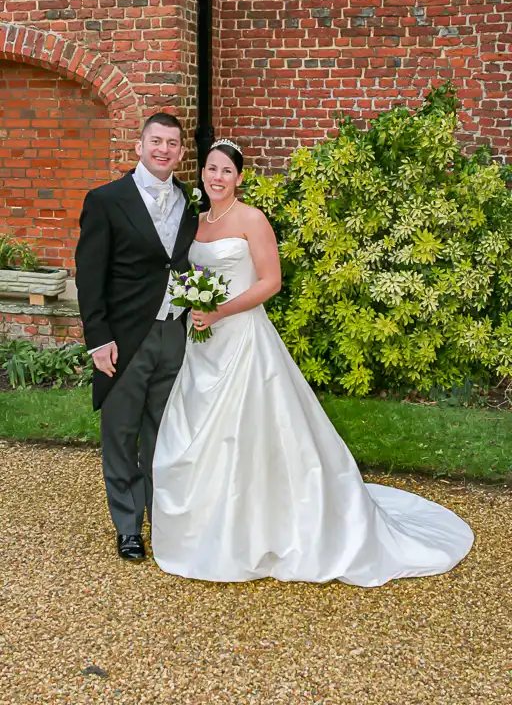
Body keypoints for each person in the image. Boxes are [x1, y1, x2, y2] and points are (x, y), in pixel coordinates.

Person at [151, 139, 474, 586]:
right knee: (198, 431)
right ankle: (207, 528)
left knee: (247, 431)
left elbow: (271, 282)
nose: (216, 177)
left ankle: (261, 528)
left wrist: (221, 310)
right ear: (202, 174)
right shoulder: (198, 222)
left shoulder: (252, 219)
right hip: (203, 342)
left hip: (242, 339)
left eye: (226, 171)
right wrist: (195, 303)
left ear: (239, 178)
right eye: (210, 169)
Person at [75, 113, 200, 561]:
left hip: (175, 334)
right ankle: (128, 527)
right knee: (121, 434)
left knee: (163, 435)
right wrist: (98, 338)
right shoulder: (107, 200)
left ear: (181, 153)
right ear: (139, 145)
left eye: (172, 144)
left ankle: (161, 519)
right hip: (126, 338)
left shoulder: (191, 201)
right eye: (156, 141)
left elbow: (183, 261)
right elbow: (90, 276)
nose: (163, 150)